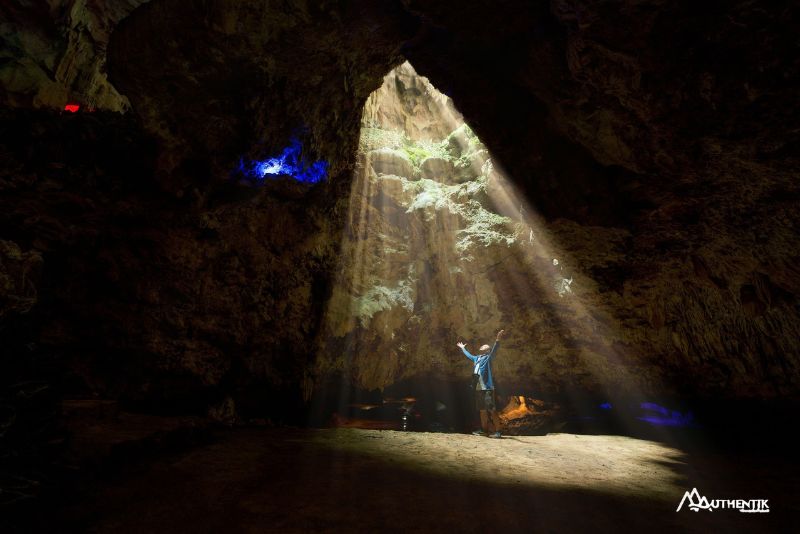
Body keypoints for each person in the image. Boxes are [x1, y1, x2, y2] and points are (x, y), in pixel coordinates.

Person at [457, 329, 505, 438]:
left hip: (487, 388)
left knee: (491, 410)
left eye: (485, 346)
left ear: (488, 350)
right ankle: (484, 430)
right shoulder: (477, 358)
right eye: (483, 346)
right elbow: (468, 355)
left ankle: (498, 431)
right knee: (482, 411)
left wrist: (498, 339)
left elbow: (495, 350)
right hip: (478, 388)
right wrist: (463, 348)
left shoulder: (488, 358)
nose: (483, 346)